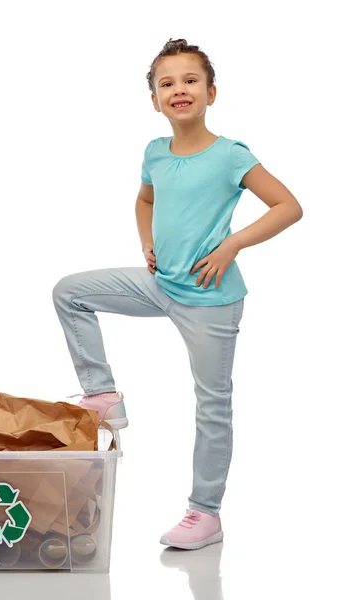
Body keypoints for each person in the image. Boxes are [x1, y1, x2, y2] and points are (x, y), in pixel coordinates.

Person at [52, 38, 303, 550]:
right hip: (160, 284)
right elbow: (144, 199)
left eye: (189, 81)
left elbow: (288, 206)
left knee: (212, 407)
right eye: (167, 83)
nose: (178, 90)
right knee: (70, 293)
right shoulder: (155, 152)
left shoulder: (230, 154)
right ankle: (102, 393)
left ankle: (204, 514)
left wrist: (232, 244)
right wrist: (147, 243)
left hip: (210, 298)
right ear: (154, 99)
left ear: (210, 92)